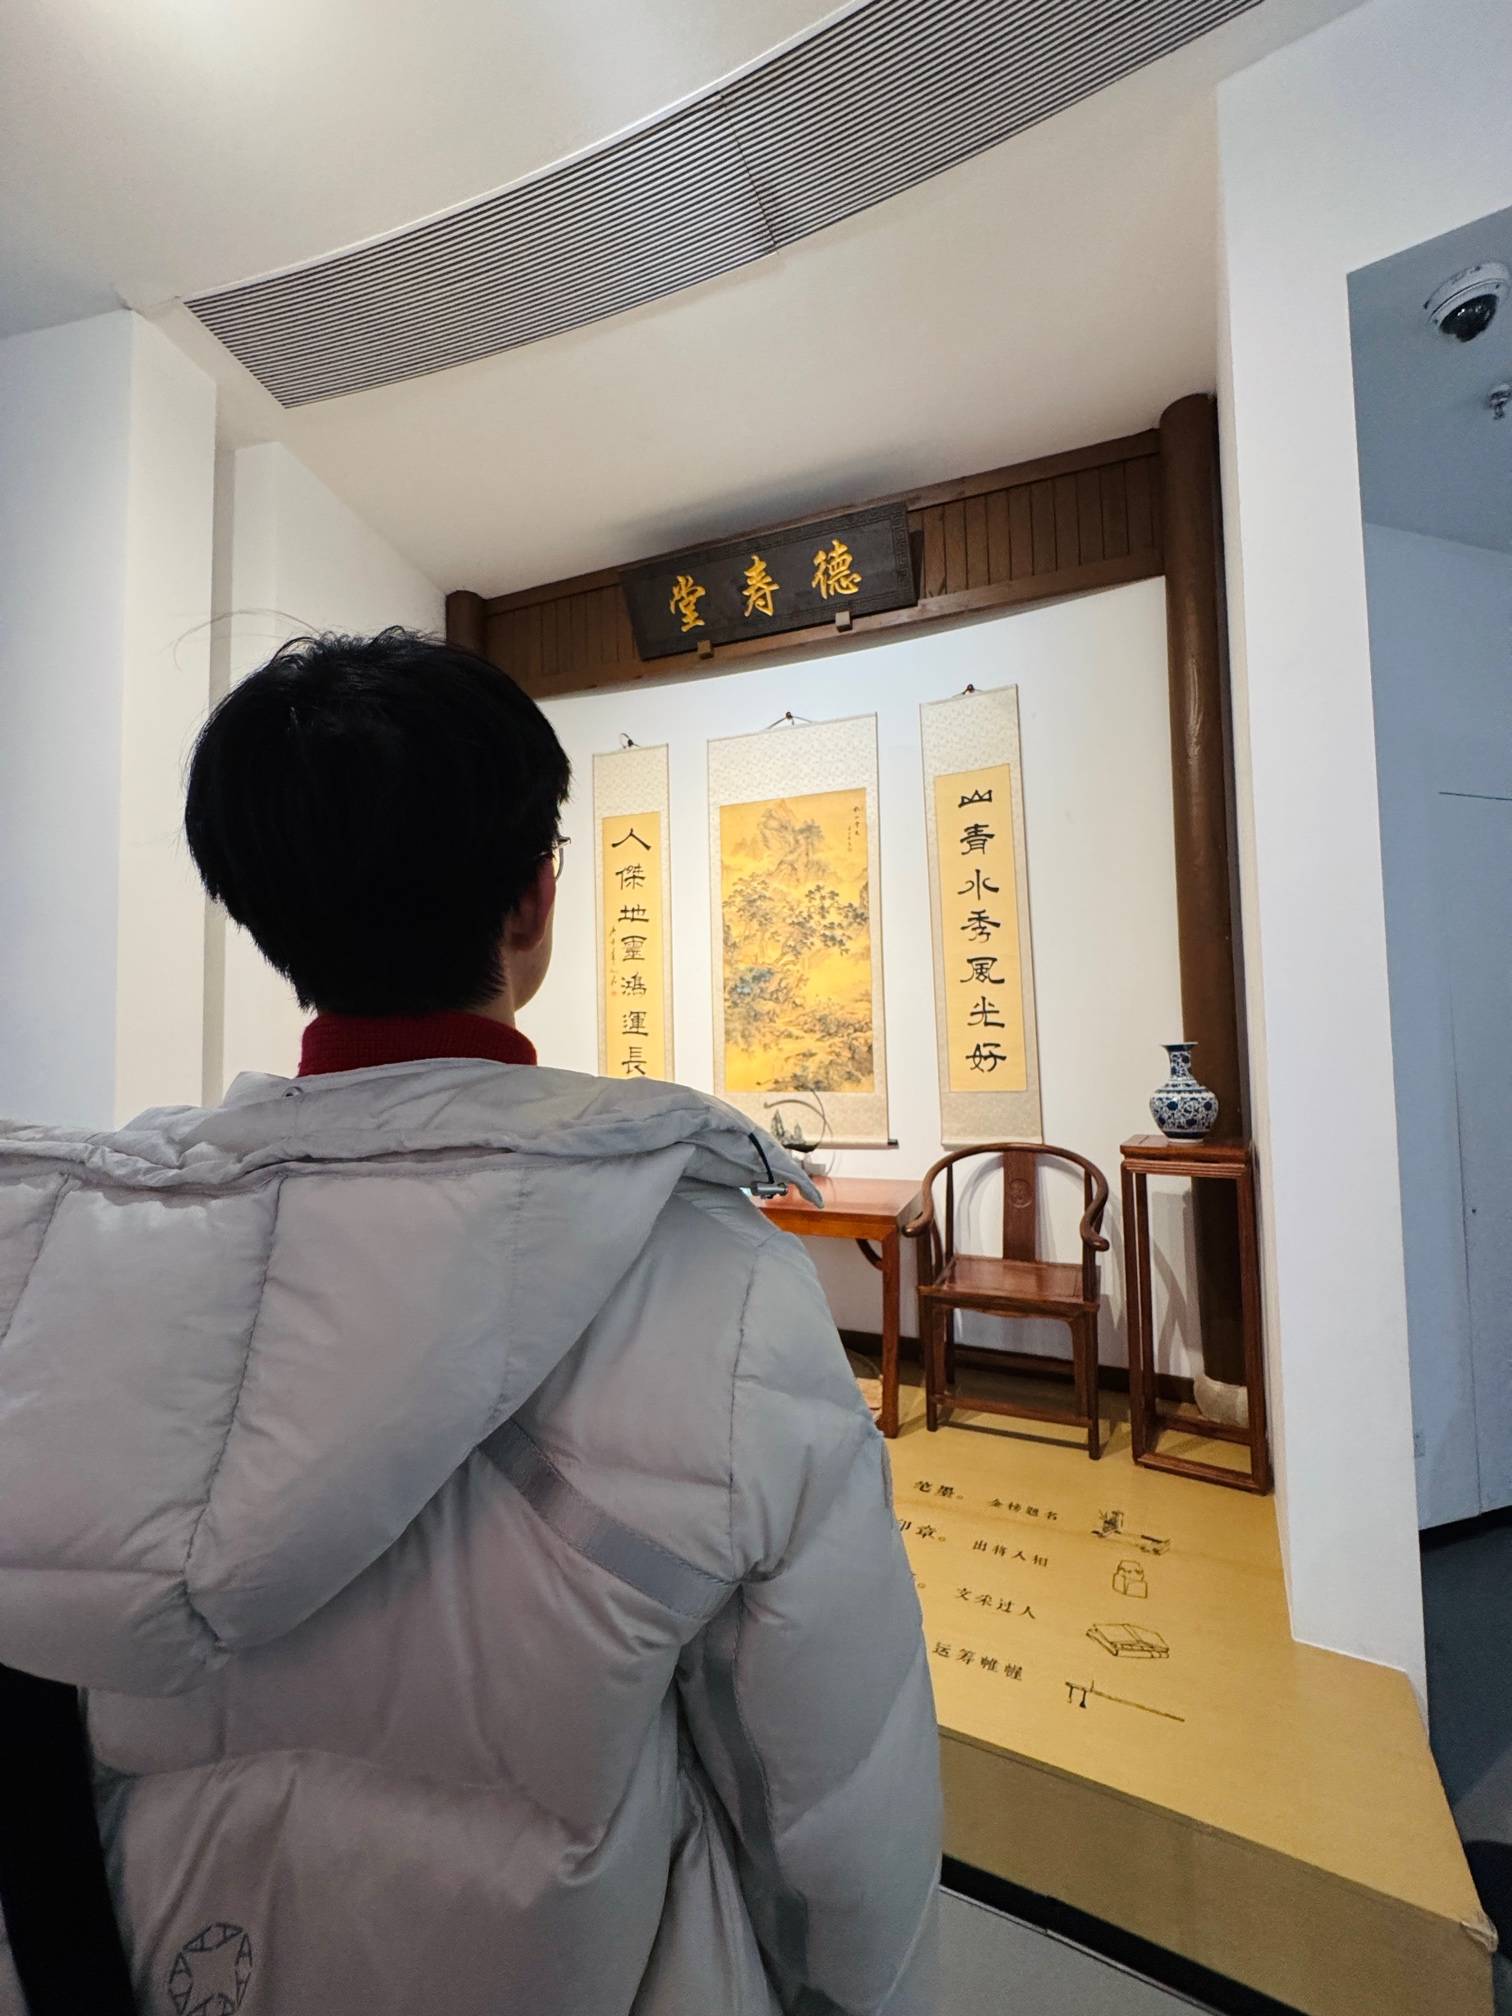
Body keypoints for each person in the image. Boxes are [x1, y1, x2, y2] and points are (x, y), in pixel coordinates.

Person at [0, 630, 940, 2016]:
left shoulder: (82, 1261)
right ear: (535, 901)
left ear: (264, 916)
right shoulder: (721, 1281)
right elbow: (835, 1815)